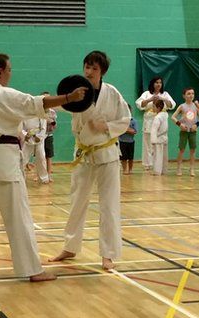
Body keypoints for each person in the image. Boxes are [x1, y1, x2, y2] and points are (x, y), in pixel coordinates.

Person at [0, 53, 86, 282]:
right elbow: (36, 103)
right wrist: (69, 97)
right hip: (2, 163)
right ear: (0, 71)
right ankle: (32, 269)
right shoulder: (2, 94)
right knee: (18, 217)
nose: (11, 73)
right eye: (9, 69)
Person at [49, 51, 131, 270]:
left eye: (94, 68)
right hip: (84, 154)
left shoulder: (112, 93)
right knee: (77, 202)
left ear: (102, 71)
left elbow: (125, 120)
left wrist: (106, 126)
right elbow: (63, 105)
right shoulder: (77, 89)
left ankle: (109, 254)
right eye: (87, 66)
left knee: (109, 205)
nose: (89, 71)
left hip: (107, 154)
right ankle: (70, 246)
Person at [135, 77, 175, 171]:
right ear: (152, 84)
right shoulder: (146, 94)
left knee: (161, 143)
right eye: (156, 82)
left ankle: (159, 164)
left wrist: (163, 99)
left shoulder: (165, 94)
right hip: (149, 120)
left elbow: (171, 105)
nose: (158, 84)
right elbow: (140, 104)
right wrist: (150, 99)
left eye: (160, 82)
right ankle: (148, 165)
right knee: (148, 144)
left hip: (161, 121)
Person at [171, 87, 199, 177]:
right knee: (182, 150)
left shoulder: (196, 106)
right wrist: (180, 124)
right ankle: (179, 168)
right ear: (184, 96)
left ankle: (192, 168)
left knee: (193, 150)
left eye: (192, 93)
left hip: (193, 131)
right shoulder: (182, 106)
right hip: (184, 131)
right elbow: (173, 117)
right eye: (188, 93)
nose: (191, 95)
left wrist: (197, 124)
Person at [20, 113, 49, 183]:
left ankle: (44, 178)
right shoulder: (24, 114)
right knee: (23, 159)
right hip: (28, 139)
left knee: (41, 158)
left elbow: (43, 128)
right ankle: (20, 178)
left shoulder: (40, 114)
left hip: (38, 139)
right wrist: (25, 134)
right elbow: (20, 128)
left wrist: (38, 137)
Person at [150, 100, 169, 176]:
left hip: (158, 139)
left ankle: (157, 171)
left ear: (158, 108)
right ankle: (164, 170)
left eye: (154, 107)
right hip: (164, 138)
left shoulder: (157, 117)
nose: (153, 108)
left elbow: (154, 129)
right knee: (164, 156)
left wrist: (153, 141)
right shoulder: (165, 115)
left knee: (158, 156)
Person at [43, 92, 58, 182]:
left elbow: (54, 125)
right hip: (40, 136)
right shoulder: (38, 111)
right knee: (40, 156)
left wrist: (51, 123)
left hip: (48, 135)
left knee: (49, 156)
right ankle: (40, 174)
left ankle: (48, 175)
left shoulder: (52, 112)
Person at [119, 107, 138, 175]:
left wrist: (125, 129)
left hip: (131, 141)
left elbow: (135, 131)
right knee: (123, 157)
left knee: (130, 157)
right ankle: (124, 170)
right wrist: (128, 130)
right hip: (122, 141)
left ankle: (130, 170)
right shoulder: (120, 121)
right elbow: (119, 130)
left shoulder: (134, 121)